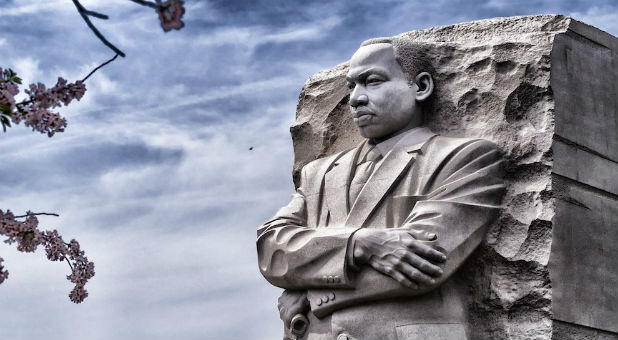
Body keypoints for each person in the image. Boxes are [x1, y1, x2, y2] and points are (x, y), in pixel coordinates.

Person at [257, 37, 505, 340]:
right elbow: (272, 249)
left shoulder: (462, 159)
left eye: (371, 81)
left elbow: (425, 263)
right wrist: (360, 244)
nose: (355, 99)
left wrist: (308, 293)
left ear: (421, 86)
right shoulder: (318, 174)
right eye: (351, 86)